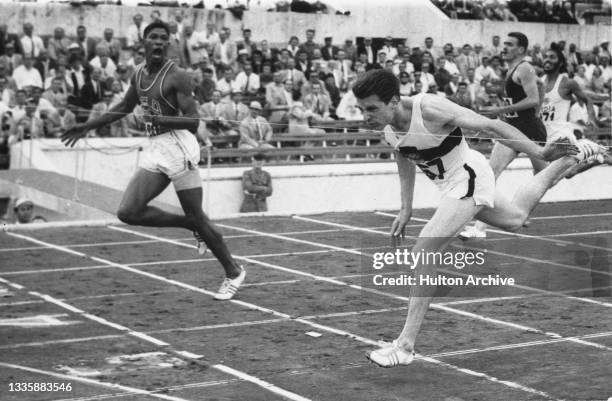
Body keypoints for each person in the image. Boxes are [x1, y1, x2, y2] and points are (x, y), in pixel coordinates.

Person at [351, 69, 605, 367]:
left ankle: (405, 345)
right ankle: (572, 156)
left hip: (468, 177)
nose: (365, 116)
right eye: (361, 109)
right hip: (453, 185)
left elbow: (494, 126)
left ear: (394, 101)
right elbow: (402, 153)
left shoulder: (430, 108)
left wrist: (538, 151)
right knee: (516, 218)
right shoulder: (387, 126)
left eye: (371, 109)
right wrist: (405, 207)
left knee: (425, 249)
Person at [61, 21, 245, 301]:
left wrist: (162, 119)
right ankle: (188, 225)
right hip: (157, 148)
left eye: (163, 39)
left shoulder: (178, 76)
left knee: (199, 215)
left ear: (169, 44)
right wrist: (86, 126)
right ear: (143, 43)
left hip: (179, 147)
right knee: (128, 212)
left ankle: (233, 272)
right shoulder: (138, 74)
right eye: (153, 38)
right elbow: (123, 107)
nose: (158, 43)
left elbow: (194, 122)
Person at [460, 32, 549, 239]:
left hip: (529, 130)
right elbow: (541, 87)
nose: (504, 47)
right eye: (504, 44)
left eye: (509, 45)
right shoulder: (512, 69)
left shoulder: (524, 67)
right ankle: (479, 228)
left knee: (545, 176)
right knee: (490, 173)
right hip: (511, 128)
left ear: (520, 49)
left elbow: (534, 98)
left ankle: (584, 158)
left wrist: (500, 111)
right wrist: (505, 113)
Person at [538, 47, 611, 179]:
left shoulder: (567, 82)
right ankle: (596, 158)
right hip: (543, 134)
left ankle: (592, 149)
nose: (547, 60)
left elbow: (588, 101)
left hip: (560, 134)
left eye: (552, 57)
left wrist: (591, 118)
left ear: (560, 63)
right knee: (563, 176)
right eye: (546, 56)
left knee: (547, 176)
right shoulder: (539, 81)